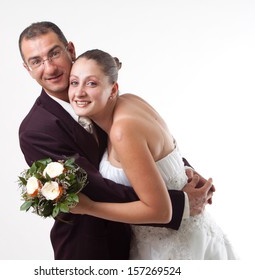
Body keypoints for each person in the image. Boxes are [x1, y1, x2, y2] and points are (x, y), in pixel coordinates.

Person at [18, 21, 213, 260]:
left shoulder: (96, 92)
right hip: (92, 250)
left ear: (70, 49)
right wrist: (179, 203)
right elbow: (96, 188)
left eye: (54, 53)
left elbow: (143, 142)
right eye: (36, 61)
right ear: (27, 69)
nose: (49, 68)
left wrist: (184, 173)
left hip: (141, 240)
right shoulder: (36, 130)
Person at [68, 49, 237, 259]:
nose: (79, 92)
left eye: (91, 83)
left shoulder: (122, 131)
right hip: (197, 235)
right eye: (74, 82)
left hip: (168, 249)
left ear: (113, 89)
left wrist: (89, 207)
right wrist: (187, 171)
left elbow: (161, 211)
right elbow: (166, 156)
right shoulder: (131, 101)